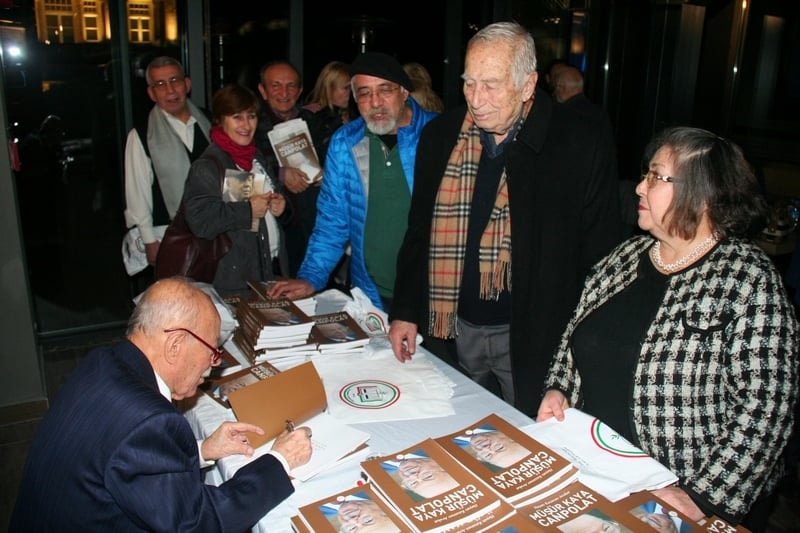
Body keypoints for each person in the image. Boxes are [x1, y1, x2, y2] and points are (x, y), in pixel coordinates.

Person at [537, 126, 799, 531]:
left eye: (656, 177)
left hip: (676, 494)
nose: (640, 187)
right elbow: (575, 338)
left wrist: (702, 496)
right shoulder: (624, 258)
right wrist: (560, 388)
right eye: (646, 174)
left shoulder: (747, 279)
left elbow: (767, 409)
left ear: (704, 193)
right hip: (600, 471)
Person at [387, 22, 621, 413]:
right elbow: (420, 232)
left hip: (533, 338)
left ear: (528, 85)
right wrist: (406, 311)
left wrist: (575, 359)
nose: (476, 99)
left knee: (529, 440)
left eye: (491, 85)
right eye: (469, 82)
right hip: (451, 327)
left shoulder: (579, 143)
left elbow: (599, 258)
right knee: (454, 432)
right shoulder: (441, 136)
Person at [9, 277, 313, 530]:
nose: (212, 367)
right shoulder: (150, 420)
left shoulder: (100, 361)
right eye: (212, 351)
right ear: (175, 345)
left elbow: (123, 463)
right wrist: (278, 462)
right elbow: (196, 523)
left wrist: (201, 450)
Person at [267, 52, 439, 311]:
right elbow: (332, 221)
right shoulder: (345, 142)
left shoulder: (439, 136)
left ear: (404, 92)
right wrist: (310, 277)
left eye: (385, 90)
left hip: (434, 294)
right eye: (364, 93)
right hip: (372, 294)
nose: (375, 102)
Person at [180, 84, 289, 297]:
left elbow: (272, 216)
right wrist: (248, 211)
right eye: (237, 117)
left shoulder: (256, 157)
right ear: (220, 121)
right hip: (233, 283)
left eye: (251, 116)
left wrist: (281, 208)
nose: (246, 125)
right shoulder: (209, 165)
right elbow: (200, 221)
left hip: (269, 273)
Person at [124, 56, 211, 275]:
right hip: (169, 235)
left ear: (187, 84)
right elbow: (138, 193)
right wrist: (149, 241)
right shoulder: (142, 135)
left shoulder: (210, 123)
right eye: (160, 84)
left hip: (213, 231)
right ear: (151, 93)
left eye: (175, 80)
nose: (170, 90)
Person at [255, 60, 326, 276]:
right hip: (270, 227)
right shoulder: (250, 124)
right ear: (263, 90)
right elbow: (238, 177)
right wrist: (279, 174)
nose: (284, 92)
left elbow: (335, 164)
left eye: (291, 85)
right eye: (276, 85)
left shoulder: (314, 123)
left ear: (300, 90)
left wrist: (327, 175)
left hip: (313, 222)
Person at [335, 498, 401, 533]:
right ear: (384, 511)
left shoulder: (326, 513)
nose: (352, 520)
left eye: (352, 528)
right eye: (368, 520)